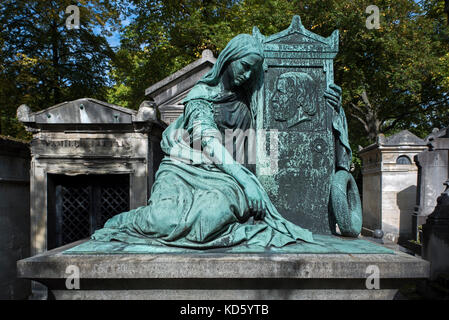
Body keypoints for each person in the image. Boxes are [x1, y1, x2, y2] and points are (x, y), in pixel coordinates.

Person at [92, 34, 315, 249]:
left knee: (209, 219)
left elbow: (293, 112)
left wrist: (330, 108)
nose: (247, 75)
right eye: (245, 66)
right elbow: (206, 140)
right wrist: (246, 182)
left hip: (225, 178)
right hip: (184, 168)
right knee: (162, 219)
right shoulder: (201, 94)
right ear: (230, 58)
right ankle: (128, 221)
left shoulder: (251, 97)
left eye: (252, 71)